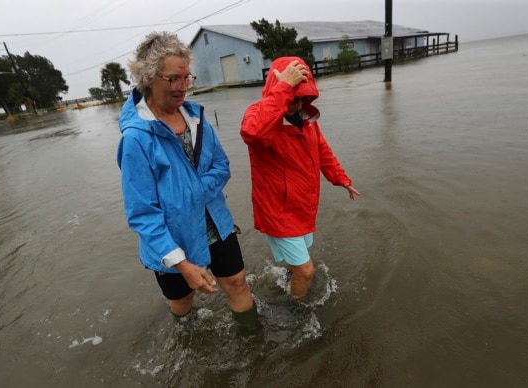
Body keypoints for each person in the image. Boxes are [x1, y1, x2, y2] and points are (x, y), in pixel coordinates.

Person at [117, 31, 258, 332]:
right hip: (172, 237)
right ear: (148, 79)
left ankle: (253, 340)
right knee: (183, 301)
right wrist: (181, 264)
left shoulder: (196, 117)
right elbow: (143, 214)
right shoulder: (135, 139)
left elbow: (221, 165)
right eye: (173, 79)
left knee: (237, 282)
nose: (183, 87)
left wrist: (193, 191)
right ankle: (186, 336)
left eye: (187, 77)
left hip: (215, 221)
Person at [240, 56, 360, 302]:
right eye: (292, 98)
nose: (296, 104)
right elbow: (252, 133)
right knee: (307, 271)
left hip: (303, 205)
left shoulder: (306, 119)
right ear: (277, 87)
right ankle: (296, 309)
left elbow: (322, 150)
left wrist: (340, 178)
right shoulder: (260, 114)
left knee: (300, 259)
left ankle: (289, 279)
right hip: (279, 209)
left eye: (302, 97)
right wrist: (283, 89)